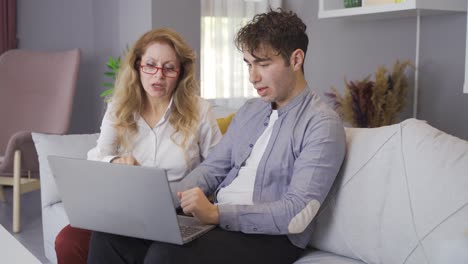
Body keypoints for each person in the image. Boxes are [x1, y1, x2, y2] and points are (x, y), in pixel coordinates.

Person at [88, 9, 346, 264]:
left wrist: (216, 213)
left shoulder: (321, 125)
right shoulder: (251, 111)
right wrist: (154, 203)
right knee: (109, 239)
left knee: (168, 254)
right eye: (249, 64)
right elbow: (210, 170)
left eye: (264, 64)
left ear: (297, 59)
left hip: (269, 238)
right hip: (217, 224)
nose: (252, 77)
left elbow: (296, 214)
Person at [54, 28, 222, 264]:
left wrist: (201, 198)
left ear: (180, 72)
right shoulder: (119, 107)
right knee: (68, 242)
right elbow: (97, 155)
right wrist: (115, 161)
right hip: (125, 210)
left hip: (178, 214)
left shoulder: (200, 110)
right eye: (150, 65)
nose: (158, 76)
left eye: (169, 68)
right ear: (137, 66)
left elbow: (221, 166)